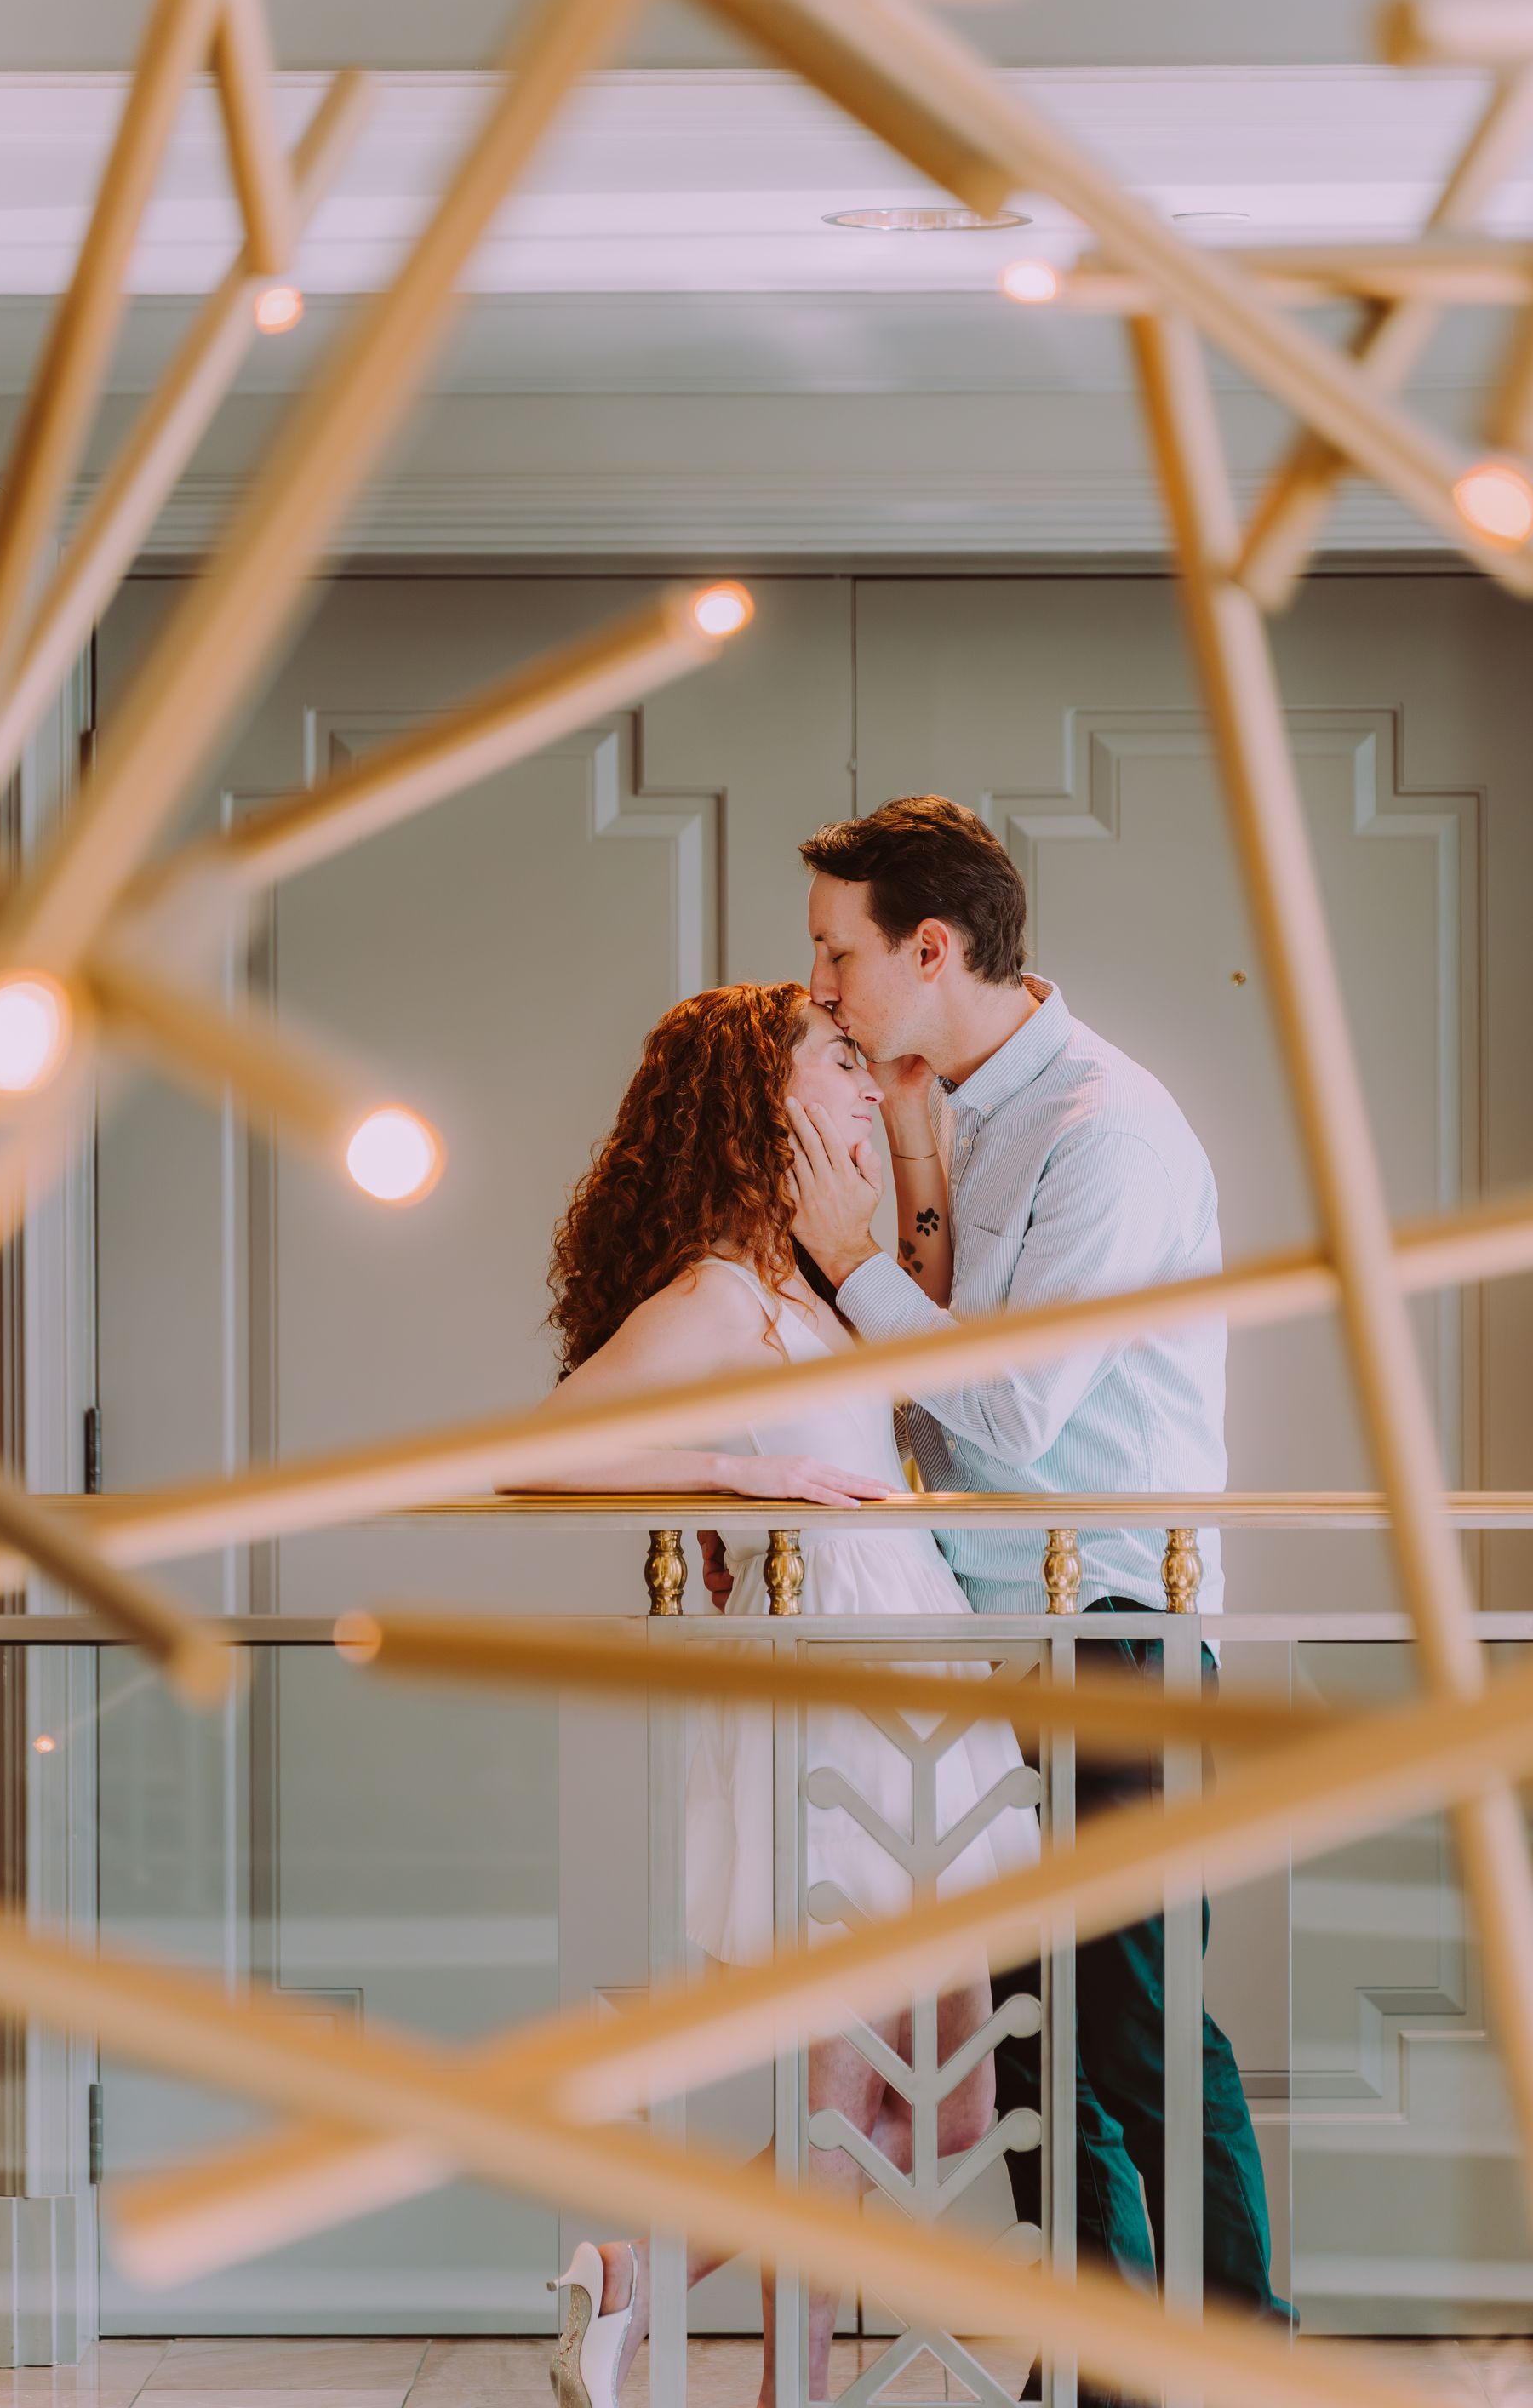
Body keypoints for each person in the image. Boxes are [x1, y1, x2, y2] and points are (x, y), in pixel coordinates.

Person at [786, 796, 1290, 2405]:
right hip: (993, 1632)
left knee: (1136, 2029)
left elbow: (1008, 1414)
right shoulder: (949, 1109)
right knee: (1031, 2052)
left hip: (1116, 1636)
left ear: (933, 949)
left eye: (837, 954)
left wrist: (847, 1252)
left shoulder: (1102, 1129)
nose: (819, 992)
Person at [507, 979, 1040, 2408]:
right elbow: (530, 1455)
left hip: (906, 1675)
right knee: (849, 2098)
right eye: (842, 1065)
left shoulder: (798, 1283)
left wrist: (900, 1152)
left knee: (939, 2107)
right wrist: (753, 1479)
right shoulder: (717, 1297)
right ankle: (783, 2388)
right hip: (836, 1694)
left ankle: (638, 2274)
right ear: (764, 1104)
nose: (868, 1086)